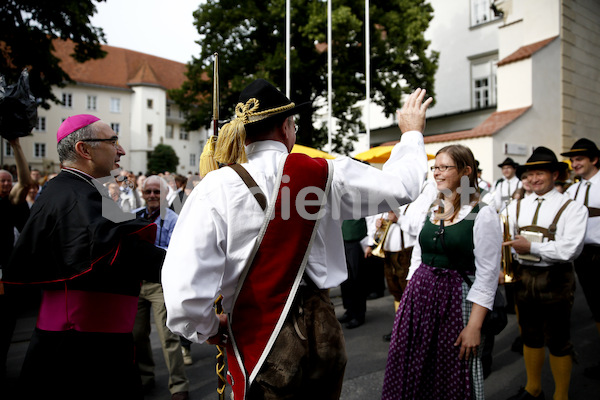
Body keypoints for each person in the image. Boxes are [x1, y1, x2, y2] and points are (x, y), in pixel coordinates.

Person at [162, 80, 431, 399]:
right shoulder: (326, 175)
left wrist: (208, 328)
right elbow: (403, 186)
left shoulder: (214, 188)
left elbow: (183, 290)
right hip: (323, 328)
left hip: (260, 329)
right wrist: (412, 133)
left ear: (244, 135)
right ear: (287, 127)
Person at [1, 114, 166, 400]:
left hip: (89, 340)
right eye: (113, 141)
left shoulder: (72, 189)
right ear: (84, 150)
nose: (121, 150)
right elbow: (118, 249)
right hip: (82, 347)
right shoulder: (75, 194)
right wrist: (183, 264)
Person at [382, 144, 502, 400]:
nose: (436, 173)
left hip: (456, 302)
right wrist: (410, 297)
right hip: (420, 298)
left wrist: (474, 326)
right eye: (434, 167)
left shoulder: (482, 213)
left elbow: (488, 276)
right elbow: (418, 254)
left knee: (450, 371)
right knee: (414, 365)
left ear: (466, 171)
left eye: (444, 167)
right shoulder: (435, 207)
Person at [503, 146, 587, 400]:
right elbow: (497, 234)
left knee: (558, 339)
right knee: (530, 335)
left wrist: (532, 247)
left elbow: (570, 249)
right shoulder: (515, 206)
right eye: (530, 175)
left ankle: (561, 395)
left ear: (554, 175)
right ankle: (533, 388)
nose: (534, 179)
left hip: (556, 279)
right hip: (523, 277)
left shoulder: (572, 208)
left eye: (540, 173)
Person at [132, 175, 189, 400]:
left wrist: (149, 250)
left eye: (157, 192)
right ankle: (146, 377)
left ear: (165, 195)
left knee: (168, 336)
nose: (153, 196)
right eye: (149, 192)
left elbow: (176, 253)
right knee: (137, 335)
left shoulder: (173, 219)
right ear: (142, 194)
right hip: (136, 284)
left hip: (159, 284)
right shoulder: (134, 217)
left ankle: (179, 385)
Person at [561, 138, 600, 380]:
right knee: (596, 306)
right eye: (572, 160)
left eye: (579, 159)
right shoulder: (571, 190)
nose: (574, 164)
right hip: (583, 257)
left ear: (594, 160)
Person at [0, 137, 33, 384]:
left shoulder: (10, 204)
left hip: (7, 277)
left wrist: (16, 146)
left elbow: (26, 182)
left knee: (6, 327)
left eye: (7, 181)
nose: (5, 184)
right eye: (1, 180)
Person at [338, 218, 369, 329]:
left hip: (357, 241)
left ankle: (359, 314)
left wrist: (369, 243)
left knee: (357, 279)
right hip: (342, 241)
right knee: (345, 279)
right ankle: (349, 310)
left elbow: (370, 218)